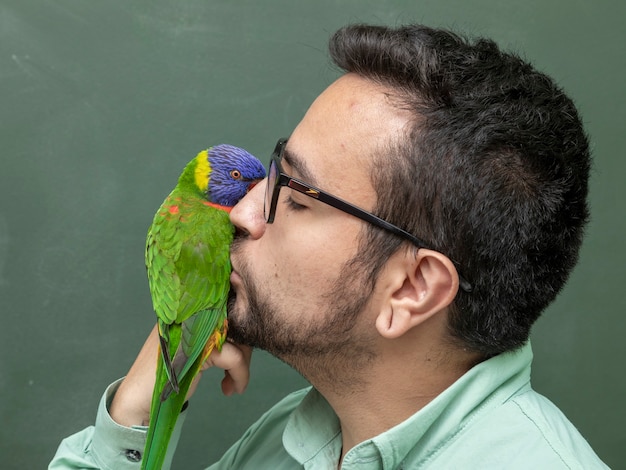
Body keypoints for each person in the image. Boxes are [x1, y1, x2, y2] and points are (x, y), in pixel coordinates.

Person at [51, 23, 608, 469]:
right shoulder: (293, 439)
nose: (243, 213)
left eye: (295, 198)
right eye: (273, 174)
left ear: (411, 288)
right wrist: (134, 412)